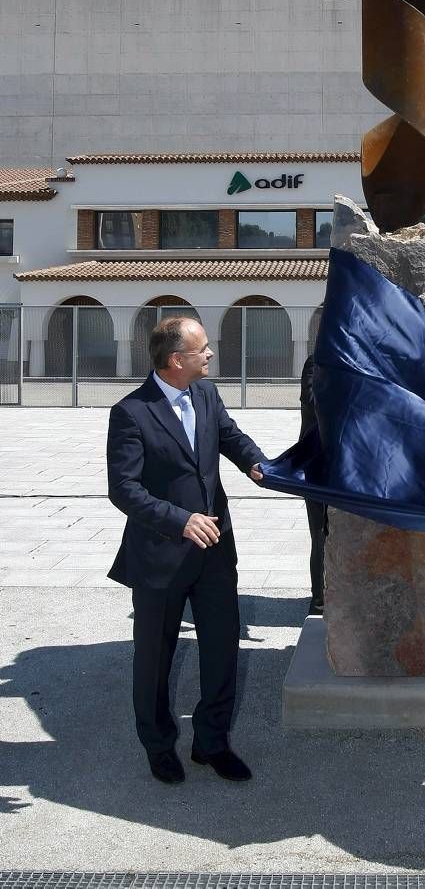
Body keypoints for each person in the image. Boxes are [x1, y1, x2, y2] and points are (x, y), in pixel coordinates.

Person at [107, 316, 267, 785]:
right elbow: (124, 489)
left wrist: (259, 465)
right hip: (160, 557)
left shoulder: (206, 394)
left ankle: (212, 742)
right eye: (203, 350)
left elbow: (231, 437)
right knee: (155, 659)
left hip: (215, 552)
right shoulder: (131, 413)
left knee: (221, 650)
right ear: (177, 360)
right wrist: (180, 521)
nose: (210, 355)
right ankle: (158, 745)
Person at [299, 353, 327, 615]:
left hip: (354, 471)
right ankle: (319, 603)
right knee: (321, 535)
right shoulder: (316, 362)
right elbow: (313, 402)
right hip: (319, 468)